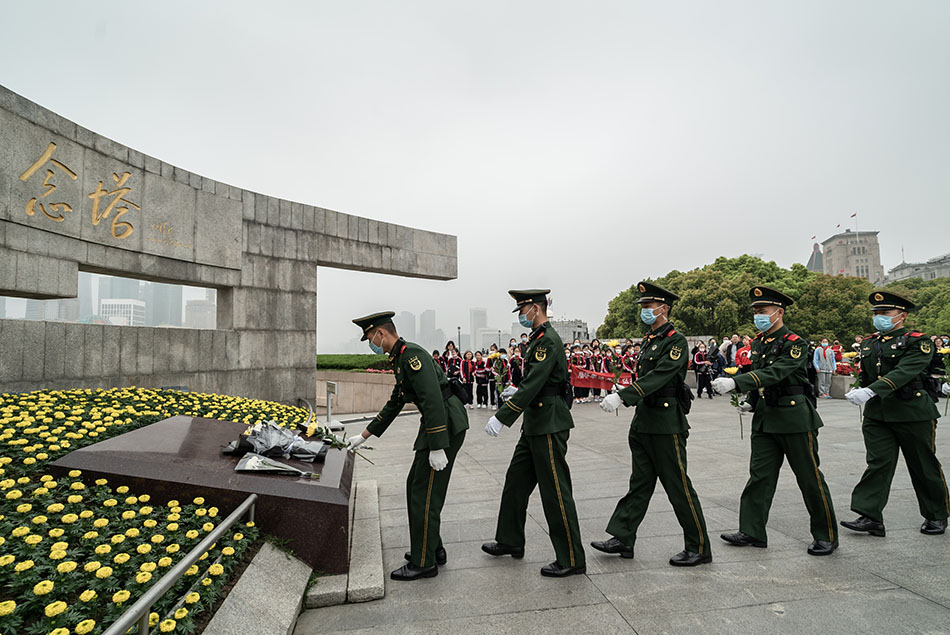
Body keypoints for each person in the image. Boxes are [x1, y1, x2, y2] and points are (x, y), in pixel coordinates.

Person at [714, 286, 838, 556]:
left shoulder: (795, 343)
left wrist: (736, 382)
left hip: (794, 418)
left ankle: (826, 534)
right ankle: (752, 530)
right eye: (756, 311)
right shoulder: (758, 343)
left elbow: (777, 372)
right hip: (766, 419)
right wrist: (752, 402)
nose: (758, 315)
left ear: (779, 312)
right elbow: (761, 377)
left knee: (809, 478)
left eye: (763, 311)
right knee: (759, 477)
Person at [347, 312, 469, 580]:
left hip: (445, 424)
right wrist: (364, 435)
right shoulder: (400, 358)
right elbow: (396, 401)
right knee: (417, 485)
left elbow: (433, 399)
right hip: (439, 424)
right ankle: (432, 548)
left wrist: (438, 446)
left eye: (370, 337)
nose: (370, 343)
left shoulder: (412, 356)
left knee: (423, 492)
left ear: (381, 333)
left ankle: (424, 561)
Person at [597, 282, 712, 567]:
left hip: (665, 422)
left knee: (678, 485)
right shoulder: (650, 339)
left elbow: (660, 375)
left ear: (664, 309)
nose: (645, 311)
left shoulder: (675, 341)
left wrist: (624, 397)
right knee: (640, 483)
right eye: (644, 307)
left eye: (649, 307)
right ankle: (623, 537)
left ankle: (698, 546)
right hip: (645, 421)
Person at [482, 289, 586, 577]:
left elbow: (536, 383)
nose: (522, 316)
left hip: (549, 423)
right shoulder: (538, 340)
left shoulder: (547, 341)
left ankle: (571, 558)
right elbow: (534, 381)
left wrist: (503, 417)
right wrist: (518, 390)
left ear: (536, 309)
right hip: (536, 421)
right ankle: (510, 540)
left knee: (555, 492)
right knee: (515, 482)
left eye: (524, 311)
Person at [840, 290, 948, 537]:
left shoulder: (917, 341)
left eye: (885, 313)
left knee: (923, 464)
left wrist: (870, 391)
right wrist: (860, 389)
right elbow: (868, 375)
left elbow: (905, 371)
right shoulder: (869, 343)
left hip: (913, 411)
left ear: (902, 316)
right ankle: (870, 515)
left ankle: (936, 514)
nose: (879, 317)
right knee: (877, 463)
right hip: (878, 414)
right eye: (876, 313)